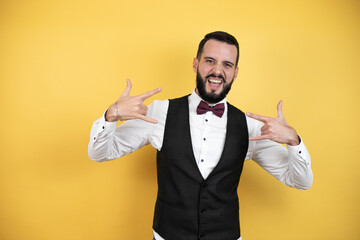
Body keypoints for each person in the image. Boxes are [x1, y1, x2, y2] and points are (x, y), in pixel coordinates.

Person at [88, 31, 313, 240]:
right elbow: (99, 153)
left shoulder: (250, 127)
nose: (217, 71)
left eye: (227, 65)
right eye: (210, 61)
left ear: (235, 73)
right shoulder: (159, 112)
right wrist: (111, 114)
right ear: (196, 64)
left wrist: (294, 141)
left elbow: (300, 181)